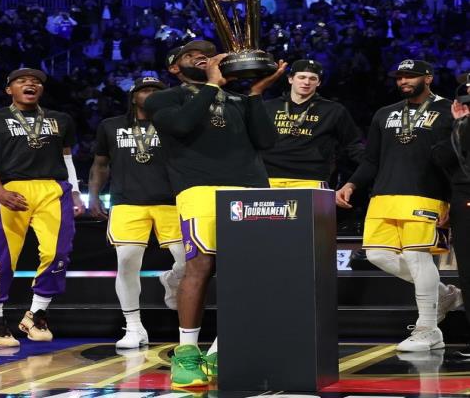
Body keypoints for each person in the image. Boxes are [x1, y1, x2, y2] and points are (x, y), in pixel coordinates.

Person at [144, 40, 286, 387]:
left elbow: (266, 141)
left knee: (250, 274)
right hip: (200, 188)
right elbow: (181, 126)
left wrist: (255, 93)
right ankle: (187, 353)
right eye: (191, 54)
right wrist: (211, 84)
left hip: (251, 188)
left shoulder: (238, 100)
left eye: (208, 53)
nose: (202, 56)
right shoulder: (164, 99)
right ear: (174, 68)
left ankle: (222, 350)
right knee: (201, 266)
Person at [336, 60, 462, 352]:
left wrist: (452, 199)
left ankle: (428, 329)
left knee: (418, 258)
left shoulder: (449, 110)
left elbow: (456, 158)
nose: (403, 81)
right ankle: (444, 295)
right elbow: (371, 159)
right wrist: (351, 184)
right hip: (383, 196)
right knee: (377, 255)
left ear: (428, 78)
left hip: (426, 195)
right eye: (399, 77)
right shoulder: (384, 113)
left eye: (410, 76)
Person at [0, 68, 85, 347]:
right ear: (9, 89)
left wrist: (75, 192)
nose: (30, 84)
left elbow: (66, 157)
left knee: (58, 253)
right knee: (2, 256)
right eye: (21, 81)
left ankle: (36, 314)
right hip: (10, 189)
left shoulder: (61, 119)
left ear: (41, 90)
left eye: (35, 82)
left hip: (53, 189)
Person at [88, 76, 186, 349]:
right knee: (127, 262)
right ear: (133, 97)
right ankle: (134, 327)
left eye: (157, 90)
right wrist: (93, 195)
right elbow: (100, 164)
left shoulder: (176, 124)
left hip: (172, 200)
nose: (151, 94)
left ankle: (171, 279)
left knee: (187, 263)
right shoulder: (110, 126)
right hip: (127, 202)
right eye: (145, 90)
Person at [262, 59, 364, 189]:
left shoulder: (333, 110)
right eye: (302, 77)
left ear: (319, 82)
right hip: (268, 178)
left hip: (311, 180)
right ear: (290, 79)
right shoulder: (268, 107)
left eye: (312, 78)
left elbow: (353, 145)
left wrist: (375, 165)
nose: (306, 82)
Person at [432, 72, 470, 357]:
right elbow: (442, 159)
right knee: (467, 272)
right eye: (465, 103)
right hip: (463, 202)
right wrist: (459, 127)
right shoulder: (455, 128)